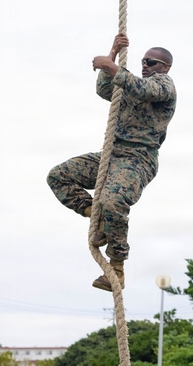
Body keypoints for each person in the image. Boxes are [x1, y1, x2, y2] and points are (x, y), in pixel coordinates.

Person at [47, 34, 176, 291]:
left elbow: (143, 89)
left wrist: (110, 64)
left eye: (151, 62)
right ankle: (98, 219)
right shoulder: (130, 84)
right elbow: (105, 89)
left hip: (138, 159)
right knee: (58, 176)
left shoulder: (165, 86)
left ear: (165, 67)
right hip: (112, 155)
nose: (145, 66)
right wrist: (114, 52)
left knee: (113, 201)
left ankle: (117, 267)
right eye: (143, 61)